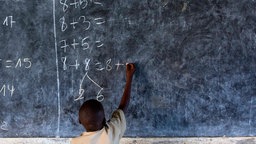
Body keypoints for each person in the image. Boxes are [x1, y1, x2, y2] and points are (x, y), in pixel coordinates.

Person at [71, 63, 136, 144]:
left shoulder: (75, 142)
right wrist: (129, 77)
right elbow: (122, 108)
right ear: (105, 120)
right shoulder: (112, 132)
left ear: (79, 121)